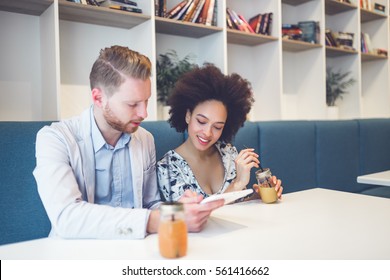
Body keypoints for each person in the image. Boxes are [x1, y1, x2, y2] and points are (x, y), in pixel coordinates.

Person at [33, 46, 223, 240]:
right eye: (132, 104)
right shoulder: (55, 139)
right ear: (98, 98)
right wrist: (160, 220)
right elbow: (67, 218)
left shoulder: (145, 139)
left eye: (146, 101)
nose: (144, 113)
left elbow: (150, 204)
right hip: (77, 255)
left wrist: (176, 209)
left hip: (135, 253)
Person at [157, 64, 283, 202]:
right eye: (201, 121)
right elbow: (192, 218)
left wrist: (257, 196)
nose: (207, 133)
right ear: (188, 116)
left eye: (217, 127)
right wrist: (237, 184)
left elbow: (237, 208)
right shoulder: (168, 167)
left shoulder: (228, 154)